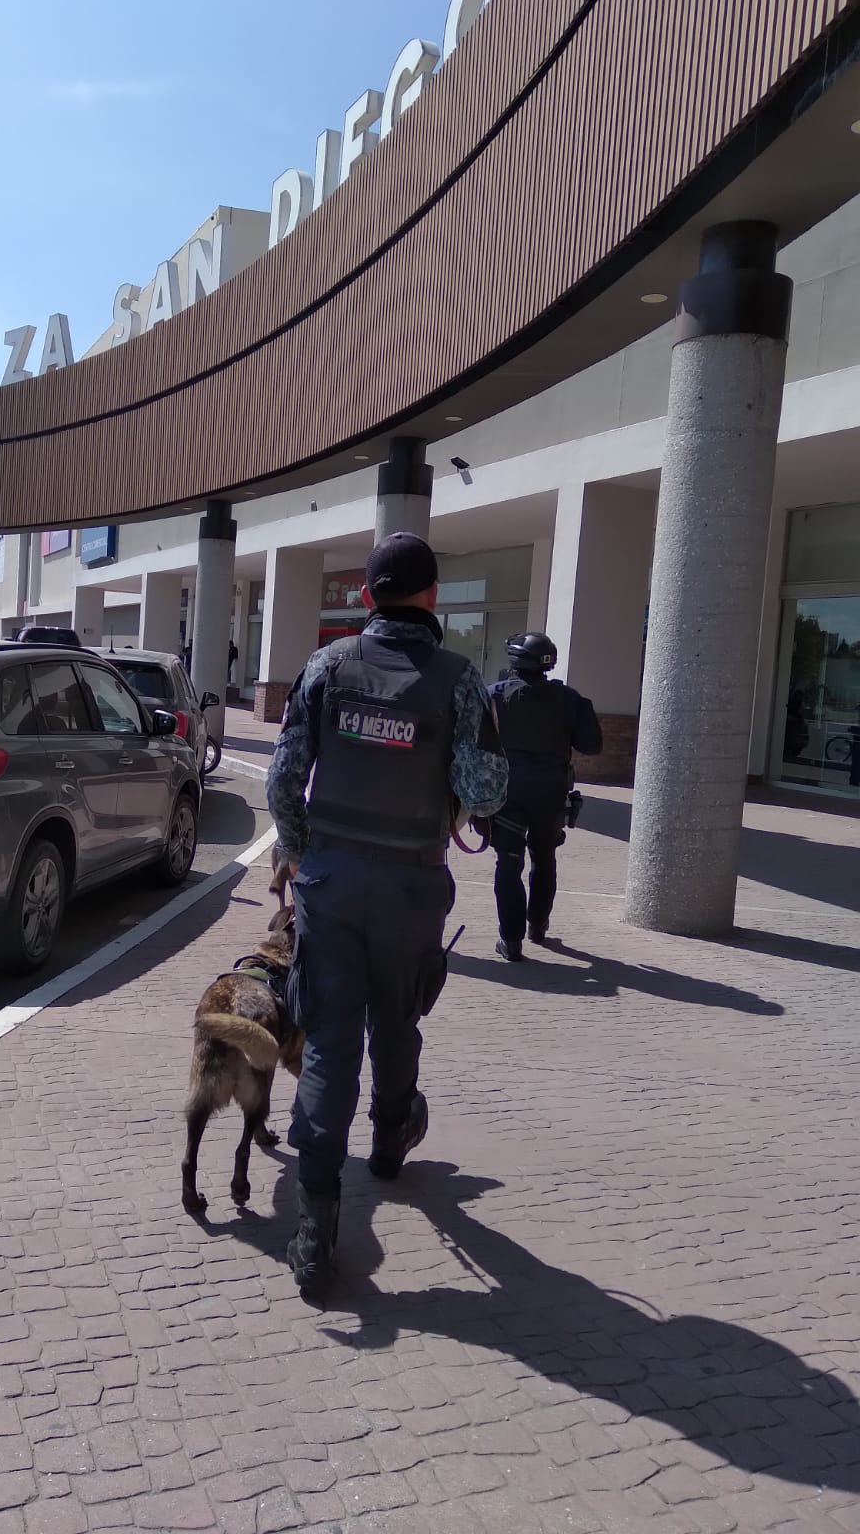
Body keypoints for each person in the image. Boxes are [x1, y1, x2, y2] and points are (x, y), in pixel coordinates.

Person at [266, 532, 508, 1297]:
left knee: (330, 1038)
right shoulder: (460, 679)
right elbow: (486, 790)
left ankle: (314, 1228)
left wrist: (303, 855)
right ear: (432, 596)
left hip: (331, 884)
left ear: (368, 596)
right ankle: (392, 1138)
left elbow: (282, 781)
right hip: (411, 885)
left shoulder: (326, 666)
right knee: (397, 1021)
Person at [487, 632, 603, 962]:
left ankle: (511, 941)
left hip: (508, 792)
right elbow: (592, 745)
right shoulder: (569, 699)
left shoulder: (495, 695)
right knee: (545, 858)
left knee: (508, 864)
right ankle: (537, 926)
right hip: (551, 793)